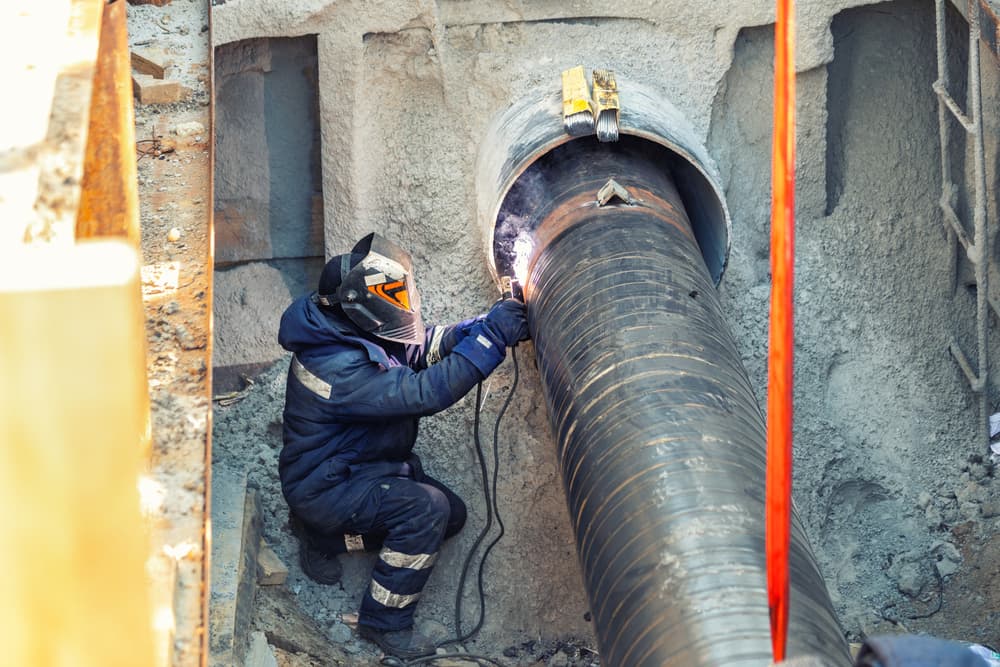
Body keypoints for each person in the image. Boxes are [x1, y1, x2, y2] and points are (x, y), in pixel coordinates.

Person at [276, 232, 529, 659]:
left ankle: (328, 538)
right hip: (325, 487)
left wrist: (476, 328)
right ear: (361, 306)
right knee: (425, 510)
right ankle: (383, 623)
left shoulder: (341, 326)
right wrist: (491, 341)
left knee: (451, 515)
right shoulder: (338, 367)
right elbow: (424, 392)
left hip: (353, 468)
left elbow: (416, 349)